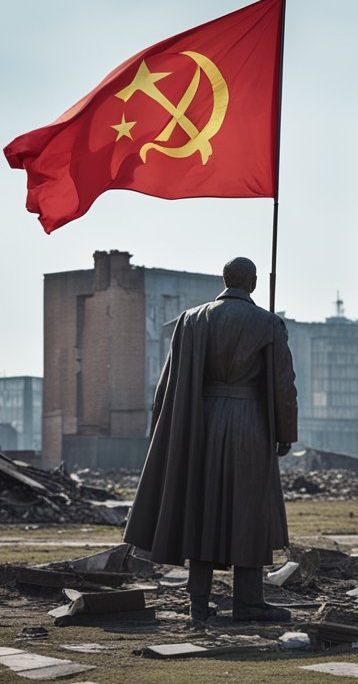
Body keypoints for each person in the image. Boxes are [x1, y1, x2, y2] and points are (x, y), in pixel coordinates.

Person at [124, 257, 298, 623]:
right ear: (252, 282)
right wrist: (285, 433)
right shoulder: (268, 323)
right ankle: (248, 603)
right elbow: (283, 385)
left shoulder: (191, 319)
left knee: (202, 509)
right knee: (249, 512)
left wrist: (165, 429)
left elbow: (167, 384)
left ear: (225, 280)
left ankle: (198, 602)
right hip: (251, 423)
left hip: (200, 424)